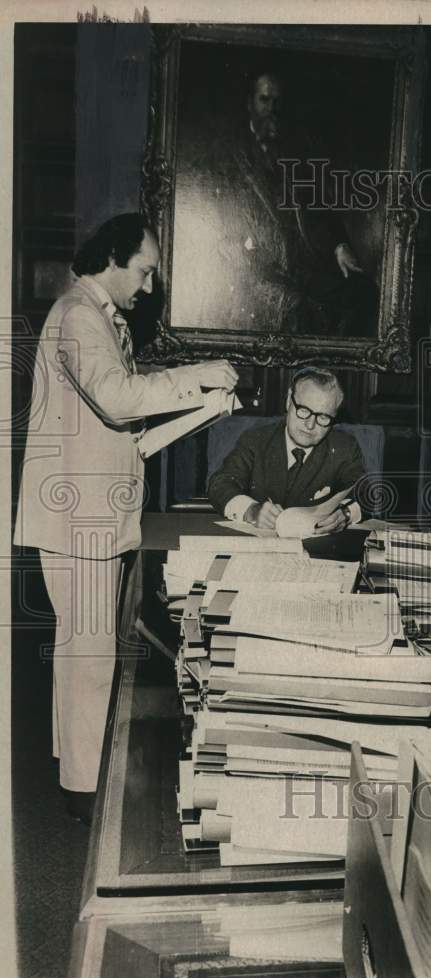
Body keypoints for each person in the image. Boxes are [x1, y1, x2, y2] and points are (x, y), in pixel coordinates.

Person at [13, 213, 239, 823]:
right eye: (144, 271)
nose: (148, 286)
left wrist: (194, 408)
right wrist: (198, 377)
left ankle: (77, 775)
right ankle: (86, 794)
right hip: (79, 516)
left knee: (81, 650)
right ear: (113, 257)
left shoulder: (93, 318)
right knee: (88, 656)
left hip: (87, 511)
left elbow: (121, 427)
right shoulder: (82, 317)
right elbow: (117, 401)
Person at [176, 70, 379, 338]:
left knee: (365, 293)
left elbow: (319, 205)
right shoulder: (227, 151)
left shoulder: (296, 147)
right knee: (298, 309)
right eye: (264, 100)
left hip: (305, 259)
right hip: (259, 262)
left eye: (276, 102)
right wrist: (235, 245)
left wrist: (339, 246)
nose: (271, 109)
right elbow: (211, 207)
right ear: (249, 103)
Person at [208, 367, 365, 534]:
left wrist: (346, 513)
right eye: (303, 410)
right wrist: (251, 510)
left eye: (323, 417)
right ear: (289, 401)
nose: (310, 425)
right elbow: (221, 484)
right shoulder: (256, 439)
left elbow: (368, 494)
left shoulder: (344, 448)